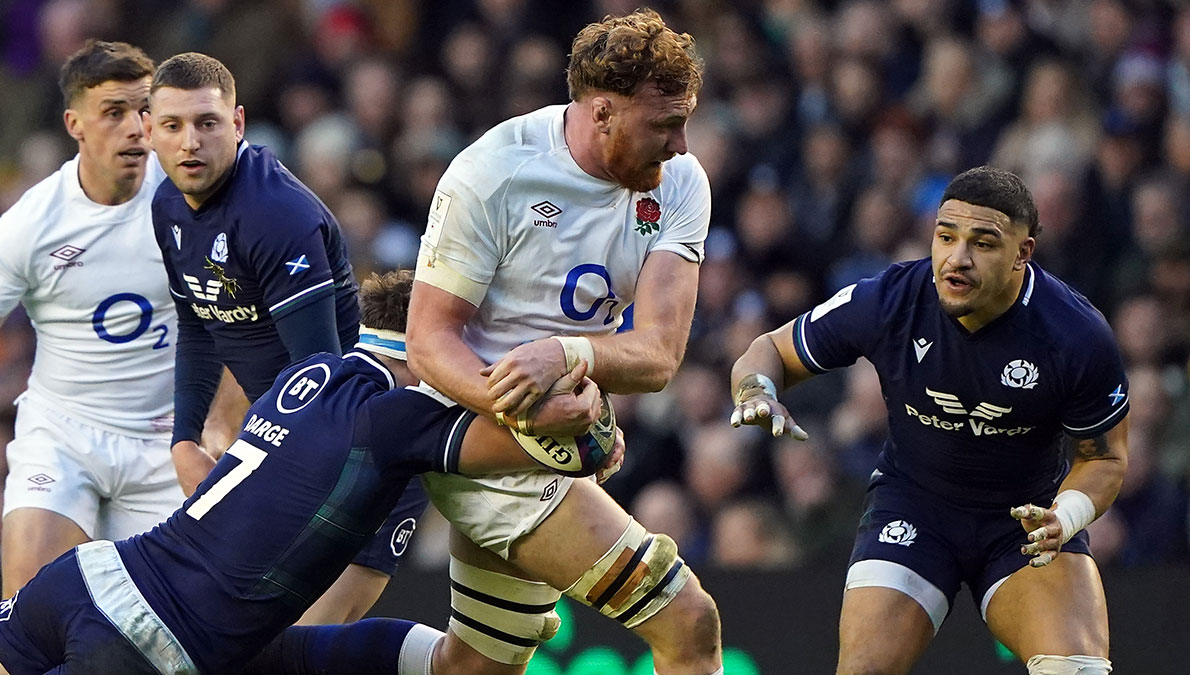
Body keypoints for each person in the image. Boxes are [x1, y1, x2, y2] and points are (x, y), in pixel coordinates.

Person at [0, 269, 609, 675]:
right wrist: (591, 407)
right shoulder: (398, 422)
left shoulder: (308, 372)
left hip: (84, 578)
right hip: (147, 644)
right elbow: (580, 451)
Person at [406, 9, 722, 674]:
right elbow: (430, 341)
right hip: (472, 438)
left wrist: (569, 357)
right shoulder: (492, 172)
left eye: (685, 119)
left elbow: (660, 353)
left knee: (475, 666)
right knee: (688, 621)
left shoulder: (682, 183)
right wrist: (526, 411)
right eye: (665, 124)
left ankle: (291, 661)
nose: (683, 144)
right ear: (603, 111)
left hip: (556, 440)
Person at [730, 166, 1129, 675]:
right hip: (915, 507)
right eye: (946, 237)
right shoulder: (891, 300)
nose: (956, 259)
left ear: (1023, 254)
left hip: (1027, 523)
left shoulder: (1076, 334)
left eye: (983, 244)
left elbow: (1106, 457)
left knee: (1078, 671)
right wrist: (756, 391)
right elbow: (767, 351)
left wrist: (1066, 517)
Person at [143, 51, 423, 624]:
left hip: (360, 458)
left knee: (302, 649)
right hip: (287, 446)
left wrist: (246, 466)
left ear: (238, 124)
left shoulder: (276, 214)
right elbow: (199, 324)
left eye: (207, 123)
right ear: (149, 131)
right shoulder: (168, 204)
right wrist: (184, 440)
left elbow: (319, 380)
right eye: (172, 126)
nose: (190, 142)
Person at [0, 40, 199, 597]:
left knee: (177, 639)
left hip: (168, 442)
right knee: (28, 612)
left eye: (145, 110)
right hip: (64, 436)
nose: (136, 128)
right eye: (114, 113)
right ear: (75, 124)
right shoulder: (31, 225)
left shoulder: (193, 200)